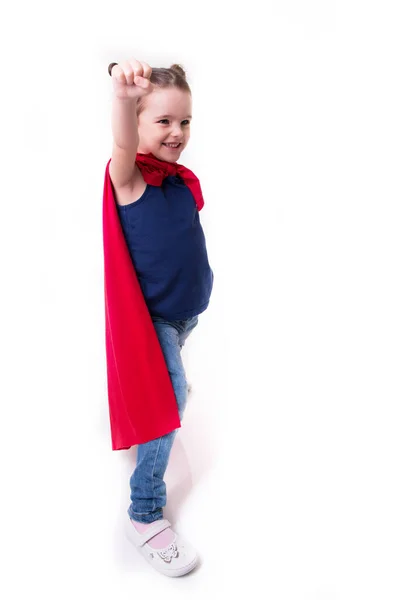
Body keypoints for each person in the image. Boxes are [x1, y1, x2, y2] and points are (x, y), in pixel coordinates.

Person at [107, 57, 214, 577]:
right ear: (139, 122)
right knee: (167, 400)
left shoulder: (177, 181)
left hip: (184, 316)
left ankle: (168, 386)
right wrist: (124, 99)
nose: (176, 132)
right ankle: (145, 513)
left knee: (171, 385)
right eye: (163, 121)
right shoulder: (129, 178)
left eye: (184, 121)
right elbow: (124, 144)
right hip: (153, 322)